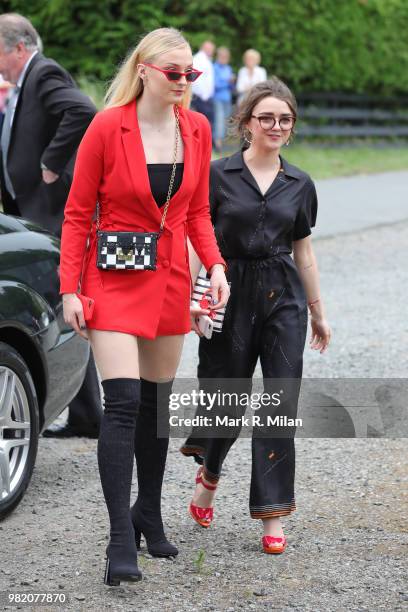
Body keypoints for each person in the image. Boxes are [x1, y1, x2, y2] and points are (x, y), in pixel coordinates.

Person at [59, 27, 229, 585]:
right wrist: (68, 290)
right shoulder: (109, 126)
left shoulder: (197, 128)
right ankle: (116, 540)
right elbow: (78, 213)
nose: (183, 82)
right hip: (109, 279)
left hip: (171, 280)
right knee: (125, 403)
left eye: (191, 74)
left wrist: (217, 267)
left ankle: (148, 514)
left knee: (157, 407)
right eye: (174, 73)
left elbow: (198, 212)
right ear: (145, 71)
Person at [180, 78, 331, 555]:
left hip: (283, 296)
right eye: (266, 117)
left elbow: (303, 251)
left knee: (280, 404)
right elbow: (195, 237)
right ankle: (210, 475)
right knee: (226, 394)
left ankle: (273, 515)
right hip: (230, 293)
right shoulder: (217, 175)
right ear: (246, 123)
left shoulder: (300, 182)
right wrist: (191, 295)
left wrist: (318, 311)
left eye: (285, 119)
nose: (276, 126)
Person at [0, 13, 102, 439]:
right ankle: (86, 414)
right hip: (28, 211)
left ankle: (87, 413)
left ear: (18, 48)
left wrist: (51, 162)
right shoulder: (25, 82)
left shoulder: (42, 73)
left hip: (49, 215)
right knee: (64, 309)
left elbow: (82, 110)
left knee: (64, 309)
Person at [191, 40, 215, 133]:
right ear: (203, 48)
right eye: (209, 48)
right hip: (201, 98)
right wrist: (204, 96)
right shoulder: (198, 59)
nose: (211, 51)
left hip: (204, 97)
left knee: (205, 124)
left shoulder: (205, 59)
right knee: (203, 124)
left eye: (212, 49)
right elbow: (195, 79)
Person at [213, 46, 234, 153]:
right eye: (222, 56)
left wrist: (232, 83)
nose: (223, 58)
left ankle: (221, 142)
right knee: (219, 120)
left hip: (227, 98)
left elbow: (231, 87)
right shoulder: (214, 67)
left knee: (225, 120)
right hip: (217, 98)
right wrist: (227, 81)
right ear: (218, 56)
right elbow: (215, 85)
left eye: (226, 57)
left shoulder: (228, 68)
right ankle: (217, 144)